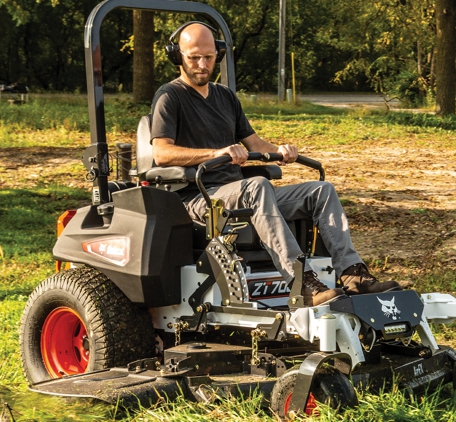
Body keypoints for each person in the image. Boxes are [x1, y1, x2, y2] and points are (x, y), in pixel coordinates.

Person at [150, 22, 400, 306]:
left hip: (241, 193)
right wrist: (216, 153)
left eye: (208, 57)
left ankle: (354, 275)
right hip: (199, 197)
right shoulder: (170, 96)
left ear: (217, 55)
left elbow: (255, 145)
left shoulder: (225, 97)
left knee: (321, 191)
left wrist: (280, 151)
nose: (202, 64)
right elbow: (161, 153)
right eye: (194, 56)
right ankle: (301, 281)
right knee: (257, 185)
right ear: (177, 55)